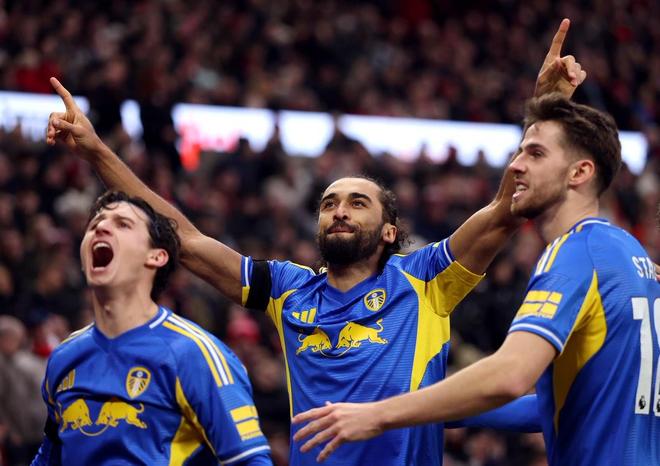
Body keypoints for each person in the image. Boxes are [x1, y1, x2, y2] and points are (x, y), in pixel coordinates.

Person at [45, 20, 585, 466]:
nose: (339, 210)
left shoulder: (423, 280)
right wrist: (96, 151)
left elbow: (503, 211)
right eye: (329, 203)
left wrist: (544, 111)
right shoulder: (288, 290)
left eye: (357, 202)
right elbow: (182, 239)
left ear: (390, 231)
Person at [292, 94, 660, 466]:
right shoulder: (627, 253)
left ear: (579, 173)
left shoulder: (575, 252)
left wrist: (378, 415)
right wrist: (417, 406)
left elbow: (510, 375)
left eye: (535, 154)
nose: (515, 165)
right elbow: (556, 406)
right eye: (520, 152)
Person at [31, 191, 273, 466]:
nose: (101, 227)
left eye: (123, 224)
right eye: (95, 223)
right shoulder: (64, 357)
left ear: (156, 257)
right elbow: (49, 457)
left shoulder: (195, 354)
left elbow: (250, 461)